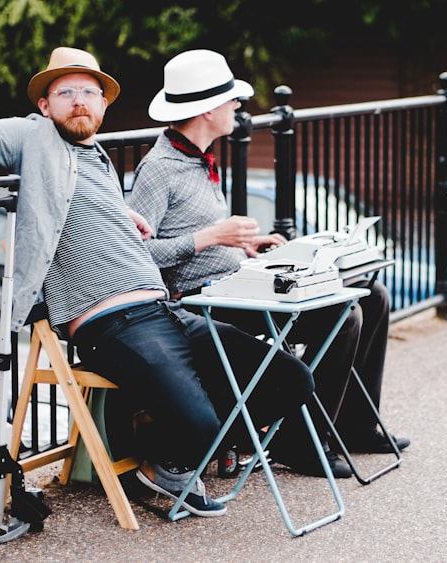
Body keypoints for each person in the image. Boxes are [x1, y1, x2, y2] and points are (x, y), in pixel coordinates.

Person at [0, 47, 315, 517]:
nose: (78, 100)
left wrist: (123, 214)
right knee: (201, 423)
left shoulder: (94, 155)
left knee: (290, 379)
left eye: (89, 92)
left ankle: (172, 451)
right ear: (45, 105)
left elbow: (77, 202)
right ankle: (172, 460)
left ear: (102, 106)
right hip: (111, 322)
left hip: (167, 310)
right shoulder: (32, 135)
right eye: (65, 92)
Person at [129, 49, 409, 479]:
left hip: (234, 283)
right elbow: (138, 254)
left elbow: (199, 236)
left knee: (373, 294)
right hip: (198, 304)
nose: (239, 107)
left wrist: (246, 246)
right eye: (230, 100)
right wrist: (214, 237)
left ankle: (354, 427)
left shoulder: (196, 160)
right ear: (206, 111)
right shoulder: (159, 169)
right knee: (343, 312)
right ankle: (299, 442)